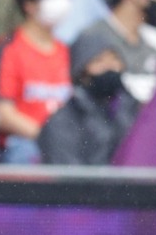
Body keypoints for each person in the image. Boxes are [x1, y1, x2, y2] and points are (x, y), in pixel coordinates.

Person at [0, 0, 76, 162]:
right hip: (23, 143)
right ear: (29, 5)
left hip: (64, 144)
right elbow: (3, 113)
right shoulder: (8, 49)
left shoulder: (67, 51)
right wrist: (49, 138)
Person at [38, 30, 144, 165]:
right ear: (81, 73)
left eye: (114, 58)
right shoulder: (63, 121)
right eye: (98, 61)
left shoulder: (136, 111)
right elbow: (66, 174)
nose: (110, 66)